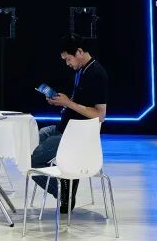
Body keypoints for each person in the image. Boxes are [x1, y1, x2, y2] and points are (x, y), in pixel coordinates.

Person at [30, 34, 108, 213]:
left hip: (76, 135)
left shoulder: (97, 74)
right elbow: (81, 103)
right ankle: (66, 183)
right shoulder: (81, 71)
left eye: (68, 59)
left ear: (79, 52)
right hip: (64, 127)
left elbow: (100, 115)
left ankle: (64, 191)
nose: (67, 63)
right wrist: (62, 102)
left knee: (31, 161)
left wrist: (69, 103)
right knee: (28, 144)